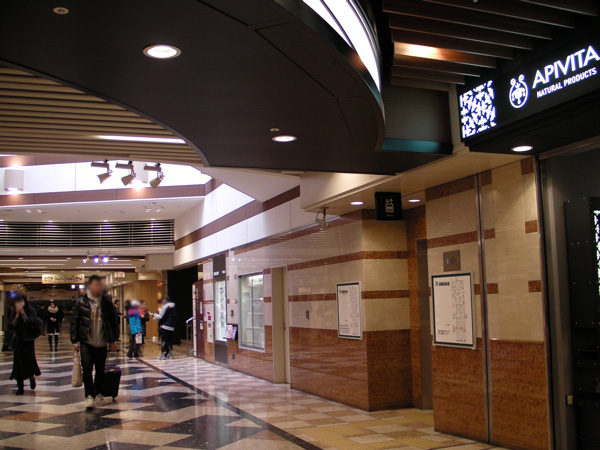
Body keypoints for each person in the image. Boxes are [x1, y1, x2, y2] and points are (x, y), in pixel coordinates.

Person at [70, 275, 118, 410]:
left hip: (102, 342)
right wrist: (74, 341)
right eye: (95, 285)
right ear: (89, 286)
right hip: (86, 341)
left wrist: (112, 341)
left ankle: (98, 391)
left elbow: (113, 323)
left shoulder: (107, 303)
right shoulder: (81, 302)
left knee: (100, 369)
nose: (98, 287)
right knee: (86, 368)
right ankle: (89, 395)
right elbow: (75, 322)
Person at [9, 294, 41, 395]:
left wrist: (23, 314)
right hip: (18, 341)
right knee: (18, 363)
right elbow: (11, 325)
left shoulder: (31, 310)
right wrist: (17, 316)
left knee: (29, 361)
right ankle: (20, 387)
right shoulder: (14, 311)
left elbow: (31, 322)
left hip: (28, 340)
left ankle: (31, 377)